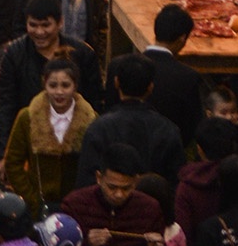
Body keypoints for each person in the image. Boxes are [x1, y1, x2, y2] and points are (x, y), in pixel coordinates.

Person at [0, 0, 96, 152]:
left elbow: (94, 101)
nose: (39, 32)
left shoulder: (82, 54)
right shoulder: (14, 54)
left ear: (60, 23)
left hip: (74, 144)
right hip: (29, 142)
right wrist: (4, 151)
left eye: (46, 25)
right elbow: (6, 104)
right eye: (33, 25)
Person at [74, 55, 184, 189]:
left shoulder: (98, 128)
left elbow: (86, 182)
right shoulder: (168, 130)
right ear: (150, 87)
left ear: (116, 82)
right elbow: (175, 185)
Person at [1, 58, 95, 213]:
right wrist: (31, 199)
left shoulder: (90, 120)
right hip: (37, 209)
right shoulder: (27, 117)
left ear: (75, 86)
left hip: (77, 207)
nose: (59, 92)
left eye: (65, 85)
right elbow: (12, 162)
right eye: (53, 85)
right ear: (44, 85)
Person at [143, 2, 208, 146]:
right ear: (182, 38)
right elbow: (193, 125)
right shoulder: (188, 77)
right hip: (169, 153)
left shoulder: (118, 65)